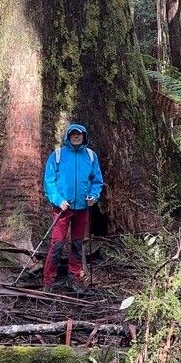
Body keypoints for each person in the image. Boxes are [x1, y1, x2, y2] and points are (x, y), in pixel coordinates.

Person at [41, 122, 104, 292]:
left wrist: (94, 196)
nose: (76, 136)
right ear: (68, 136)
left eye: (79, 134)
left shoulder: (91, 156)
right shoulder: (58, 155)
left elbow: (97, 181)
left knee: (77, 244)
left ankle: (74, 278)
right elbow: (49, 181)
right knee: (57, 244)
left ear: (84, 137)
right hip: (62, 209)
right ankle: (48, 280)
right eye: (73, 134)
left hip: (82, 209)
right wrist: (58, 200)